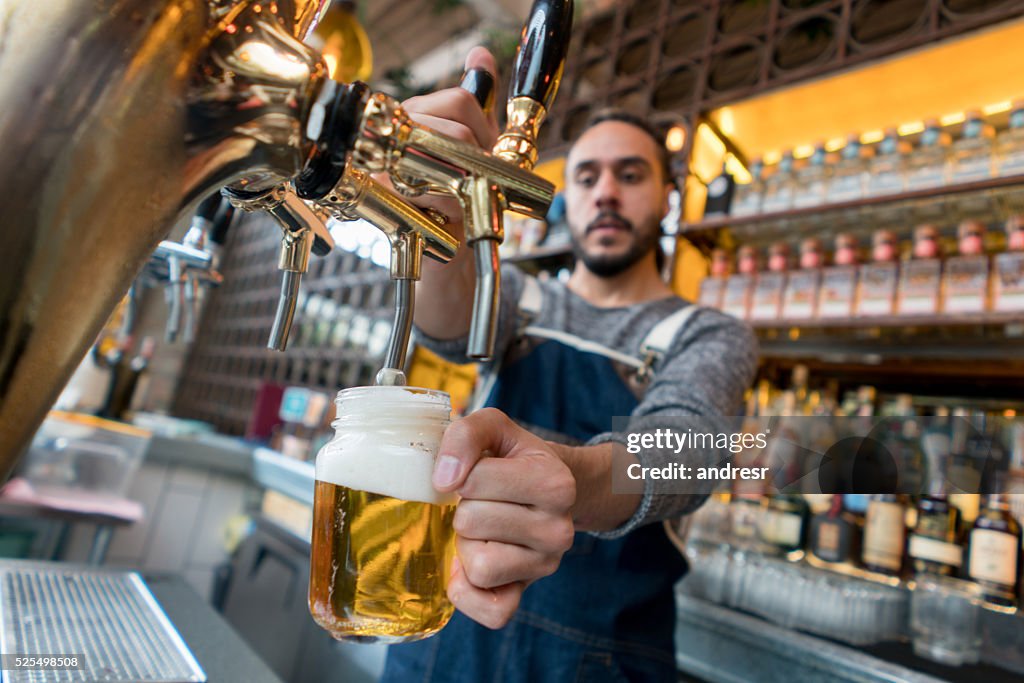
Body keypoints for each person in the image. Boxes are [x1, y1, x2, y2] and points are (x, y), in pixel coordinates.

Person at [380, 47, 758, 683]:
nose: (606, 192)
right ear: (565, 199)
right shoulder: (520, 298)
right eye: (586, 178)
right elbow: (448, 325)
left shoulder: (708, 333)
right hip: (450, 635)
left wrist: (572, 482)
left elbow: (689, 449)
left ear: (669, 197)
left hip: (602, 658)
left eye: (630, 175)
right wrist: (438, 209)